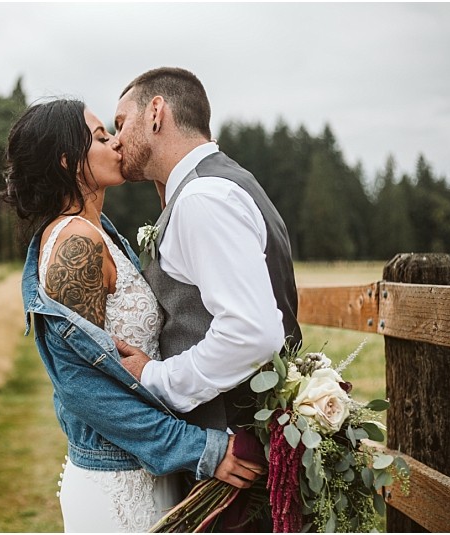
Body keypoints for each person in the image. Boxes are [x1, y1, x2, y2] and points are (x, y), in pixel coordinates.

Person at [1, 98, 264, 532]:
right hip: (117, 485)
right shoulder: (75, 246)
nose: (117, 144)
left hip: (143, 469)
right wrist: (200, 448)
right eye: (102, 137)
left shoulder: (99, 231)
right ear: (69, 162)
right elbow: (81, 387)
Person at [113, 67, 302, 528]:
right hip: (247, 452)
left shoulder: (203, 199)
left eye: (121, 123)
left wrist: (156, 377)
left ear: (156, 113)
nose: (115, 141)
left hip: (236, 466)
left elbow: (252, 333)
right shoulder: (222, 183)